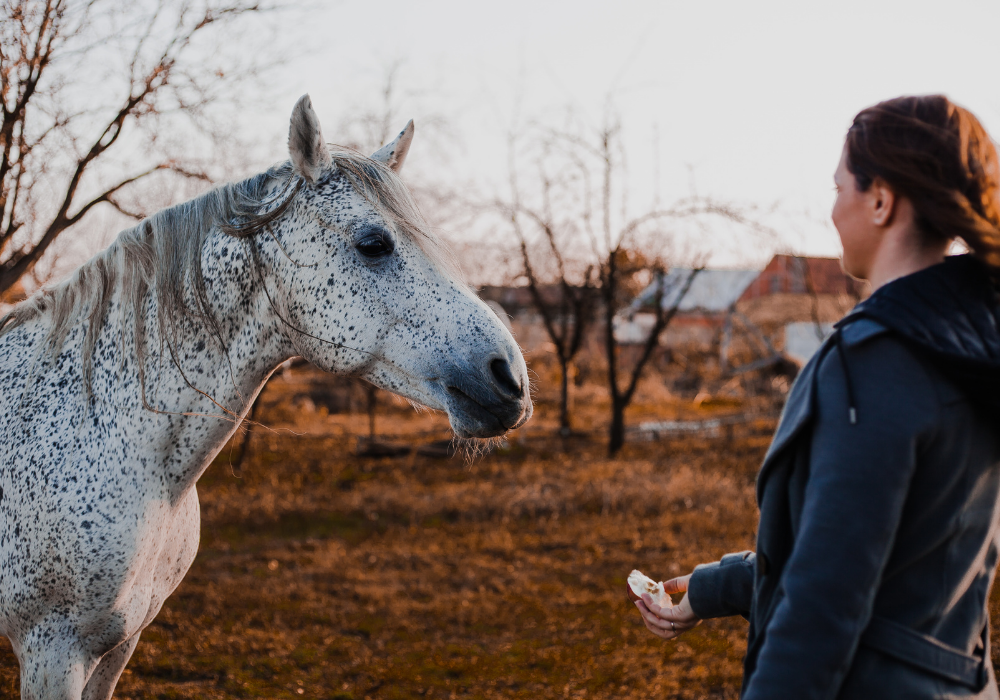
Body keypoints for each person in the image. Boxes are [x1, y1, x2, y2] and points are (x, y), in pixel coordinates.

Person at [634, 95, 1000, 699]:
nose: (831, 210)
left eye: (839, 188)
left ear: (881, 201)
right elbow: (893, 567)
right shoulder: (970, 346)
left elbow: (823, 601)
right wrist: (709, 590)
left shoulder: (873, 364)